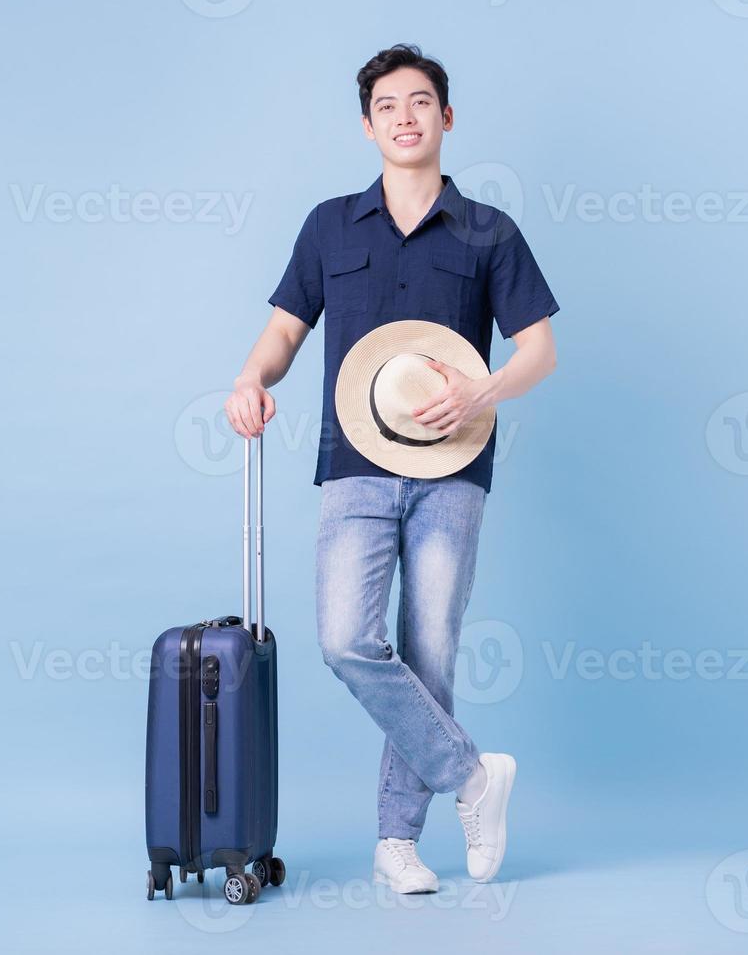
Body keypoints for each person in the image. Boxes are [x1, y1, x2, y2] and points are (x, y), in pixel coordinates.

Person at [224, 44, 559, 892]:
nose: (405, 118)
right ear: (366, 123)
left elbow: (540, 351)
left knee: (430, 650)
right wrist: (249, 378)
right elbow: (285, 331)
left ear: (447, 118)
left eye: (421, 103)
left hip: (455, 470)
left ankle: (396, 843)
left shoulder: (490, 230)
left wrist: (485, 391)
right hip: (354, 465)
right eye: (387, 106)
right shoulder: (329, 225)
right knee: (346, 639)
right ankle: (474, 777)